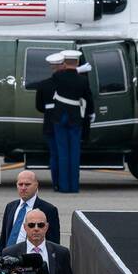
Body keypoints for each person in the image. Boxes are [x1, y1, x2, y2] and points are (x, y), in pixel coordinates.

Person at [29, 50, 93, 194]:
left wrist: (74, 70)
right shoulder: (80, 79)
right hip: (73, 118)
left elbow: (40, 105)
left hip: (57, 119)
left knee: (60, 154)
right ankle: (73, 186)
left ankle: (61, 186)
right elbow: (87, 96)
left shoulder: (53, 79)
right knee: (73, 154)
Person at [0, 170, 60, 251]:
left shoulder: (48, 210)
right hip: (8, 258)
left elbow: (54, 242)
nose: (23, 188)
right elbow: (3, 237)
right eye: (20, 184)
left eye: (27, 184)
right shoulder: (10, 207)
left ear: (36, 185)